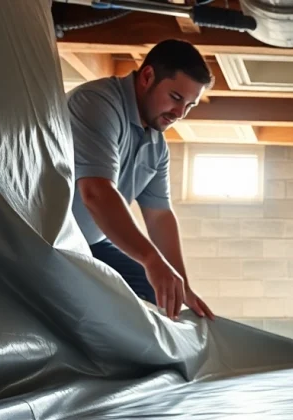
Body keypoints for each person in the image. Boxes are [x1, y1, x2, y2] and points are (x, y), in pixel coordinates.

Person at [66, 39, 214, 321]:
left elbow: (159, 217)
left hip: (94, 242)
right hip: (54, 240)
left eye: (190, 105)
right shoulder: (97, 104)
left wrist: (180, 284)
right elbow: (96, 193)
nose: (180, 114)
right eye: (175, 97)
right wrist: (151, 259)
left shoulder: (157, 145)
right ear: (147, 77)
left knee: (159, 292)